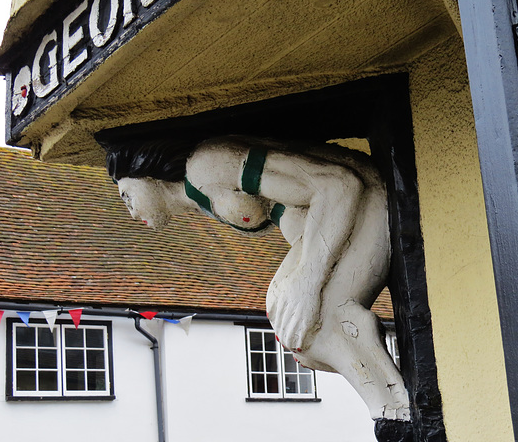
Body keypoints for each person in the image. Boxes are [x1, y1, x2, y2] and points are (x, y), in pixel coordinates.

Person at [103, 134, 410, 429]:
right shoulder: (198, 196)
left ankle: (397, 413)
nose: (130, 211)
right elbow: (292, 207)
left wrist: (308, 281)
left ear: (146, 173)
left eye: (127, 195)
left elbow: (339, 185)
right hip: (334, 217)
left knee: (311, 320)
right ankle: (391, 406)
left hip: (362, 198)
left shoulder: (207, 166)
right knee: (297, 329)